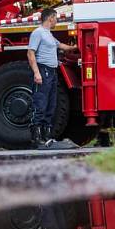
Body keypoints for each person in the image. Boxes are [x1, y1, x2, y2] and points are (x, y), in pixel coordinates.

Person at [27, 8, 78, 148]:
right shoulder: (38, 33)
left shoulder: (49, 34)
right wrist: (37, 73)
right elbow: (30, 53)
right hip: (42, 71)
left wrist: (75, 47)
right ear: (50, 18)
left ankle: (46, 137)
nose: (57, 20)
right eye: (56, 18)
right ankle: (36, 139)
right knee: (40, 104)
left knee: (51, 105)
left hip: (52, 72)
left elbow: (60, 46)